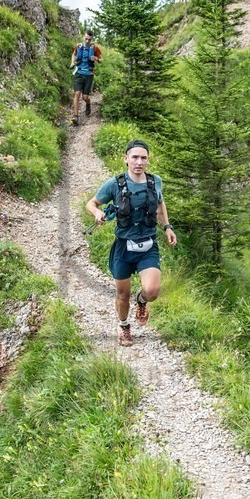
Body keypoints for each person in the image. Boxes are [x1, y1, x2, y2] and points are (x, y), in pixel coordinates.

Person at [86, 140, 177, 346]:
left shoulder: (156, 182)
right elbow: (91, 203)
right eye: (134, 157)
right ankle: (124, 325)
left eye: (143, 157)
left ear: (148, 160)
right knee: (122, 295)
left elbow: (160, 204)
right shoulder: (115, 184)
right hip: (123, 247)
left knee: (152, 291)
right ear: (126, 159)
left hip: (148, 245)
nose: (139, 162)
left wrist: (167, 227)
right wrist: (97, 212)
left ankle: (142, 301)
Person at [70, 30, 101, 124]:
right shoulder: (78, 46)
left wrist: (96, 59)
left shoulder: (95, 48)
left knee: (85, 97)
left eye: (89, 39)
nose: (87, 41)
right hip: (79, 73)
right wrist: (72, 62)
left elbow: (101, 59)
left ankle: (88, 103)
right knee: (77, 93)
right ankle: (75, 117)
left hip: (89, 74)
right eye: (86, 38)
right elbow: (74, 54)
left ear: (92, 39)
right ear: (83, 36)